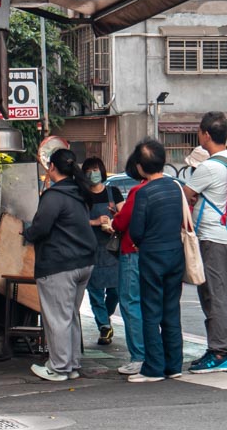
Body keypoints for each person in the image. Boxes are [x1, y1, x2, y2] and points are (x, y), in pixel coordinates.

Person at [24, 149, 96, 382]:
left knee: (58, 317)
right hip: (84, 261)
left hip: (59, 263)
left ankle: (59, 367)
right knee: (70, 315)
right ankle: (71, 364)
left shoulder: (54, 196)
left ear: (52, 167)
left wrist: (27, 233)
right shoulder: (78, 193)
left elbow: (41, 227)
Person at [182, 112, 227, 374]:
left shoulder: (208, 167)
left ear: (206, 134)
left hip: (213, 239)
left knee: (215, 297)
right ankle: (224, 349)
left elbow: (186, 195)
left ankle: (219, 352)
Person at [125, 139, 186, 383]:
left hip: (152, 256)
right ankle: (174, 364)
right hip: (176, 254)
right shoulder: (175, 187)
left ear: (140, 167)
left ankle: (153, 368)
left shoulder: (144, 193)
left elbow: (136, 231)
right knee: (171, 310)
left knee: (150, 311)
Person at [109, 153, 149, 376]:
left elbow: (123, 221)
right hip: (153, 254)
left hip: (131, 251)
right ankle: (151, 353)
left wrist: (116, 219)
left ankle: (139, 356)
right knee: (147, 303)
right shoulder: (171, 188)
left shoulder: (139, 191)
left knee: (130, 303)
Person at [82, 157, 121, 347]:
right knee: (95, 291)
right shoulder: (82, 196)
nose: (92, 173)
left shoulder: (113, 192)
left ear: (102, 170)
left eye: (95, 169)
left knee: (116, 291)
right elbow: (76, 220)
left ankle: (106, 315)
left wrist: (114, 223)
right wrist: (95, 222)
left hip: (112, 249)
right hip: (90, 248)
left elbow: (123, 215)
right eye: (88, 170)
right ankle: (104, 326)